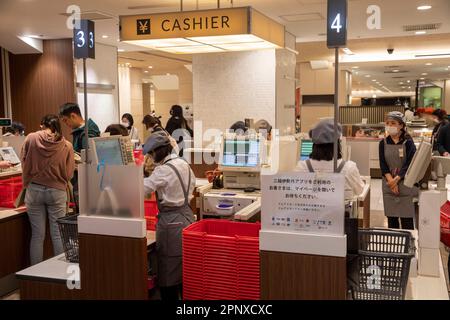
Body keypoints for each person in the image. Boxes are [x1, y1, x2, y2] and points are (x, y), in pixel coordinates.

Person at [142, 131, 195, 300]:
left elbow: (142, 190)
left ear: (160, 150)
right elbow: (192, 185)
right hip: (187, 217)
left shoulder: (163, 171)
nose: (150, 157)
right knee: (185, 270)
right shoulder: (183, 163)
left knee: (168, 272)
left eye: (151, 153)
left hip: (170, 223)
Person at [21, 114, 75, 265]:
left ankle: (35, 275)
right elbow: (69, 174)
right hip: (57, 191)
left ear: (43, 125)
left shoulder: (30, 138)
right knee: (57, 234)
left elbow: (23, 162)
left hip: (34, 190)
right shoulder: (67, 145)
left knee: (37, 235)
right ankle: (58, 273)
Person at [295, 119, 364, 200]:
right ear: (338, 143)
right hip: (339, 213)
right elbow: (359, 190)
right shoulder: (349, 168)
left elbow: (296, 193)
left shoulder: (301, 167)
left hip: (310, 212)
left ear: (314, 144)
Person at [379, 111, 417, 230]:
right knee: (392, 220)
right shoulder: (383, 143)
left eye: (393, 123)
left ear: (401, 125)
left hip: (405, 182)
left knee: (407, 221)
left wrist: (396, 180)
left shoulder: (408, 143)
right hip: (388, 183)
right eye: (388, 123)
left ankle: (408, 247)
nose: (390, 126)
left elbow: (409, 164)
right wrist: (391, 182)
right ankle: (394, 246)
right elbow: (383, 165)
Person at [59, 103, 100, 208]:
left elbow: (89, 159)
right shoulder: (80, 131)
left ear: (73, 116)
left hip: (85, 181)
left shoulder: (88, 132)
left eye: (65, 120)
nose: (65, 124)